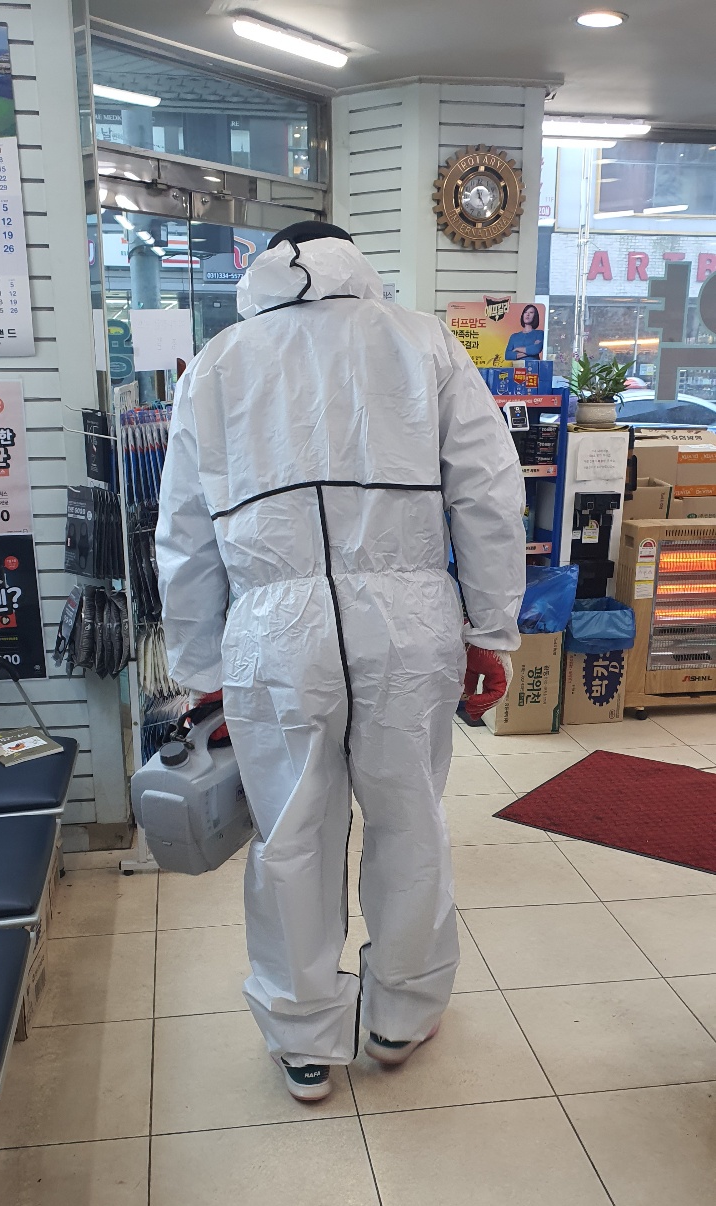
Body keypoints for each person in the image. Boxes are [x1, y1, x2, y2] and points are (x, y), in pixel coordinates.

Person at [156, 221, 525, 1101]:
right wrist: (491, 627)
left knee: (291, 832)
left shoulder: (217, 364)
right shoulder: (422, 341)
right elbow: (487, 491)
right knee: (410, 822)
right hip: (408, 618)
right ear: (355, 261)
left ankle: (303, 1040)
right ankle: (399, 1017)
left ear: (261, 269)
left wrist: (200, 663)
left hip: (274, 629)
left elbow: (183, 533)